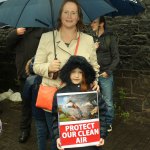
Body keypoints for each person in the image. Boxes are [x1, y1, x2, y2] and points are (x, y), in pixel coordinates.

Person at [33, 0, 99, 149]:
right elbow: (36, 66)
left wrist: (95, 81)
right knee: (59, 142)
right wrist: (49, 67)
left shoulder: (88, 40)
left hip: (80, 99)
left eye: (73, 12)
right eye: (66, 12)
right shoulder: (47, 38)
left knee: (78, 143)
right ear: (60, 15)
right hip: (53, 100)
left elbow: (94, 67)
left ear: (78, 17)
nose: (69, 16)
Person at [52, 55, 107, 150]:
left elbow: (102, 114)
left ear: (85, 74)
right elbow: (55, 118)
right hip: (69, 143)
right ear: (68, 73)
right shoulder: (60, 93)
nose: (76, 76)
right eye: (73, 72)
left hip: (90, 144)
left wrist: (101, 135)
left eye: (80, 72)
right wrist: (58, 137)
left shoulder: (92, 93)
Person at [7, 27, 49, 143]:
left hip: (39, 75)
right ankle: (25, 130)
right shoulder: (18, 31)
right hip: (23, 75)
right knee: (26, 105)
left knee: (43, 104)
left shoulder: (43, 30)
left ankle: (45, 130)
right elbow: (8, 45)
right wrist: (15, 33)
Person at [91, 16, 120, 132]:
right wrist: (93, 48)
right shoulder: (91, 39)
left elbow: (116, 58)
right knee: (93, 100)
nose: (91, 24)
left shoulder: (110, 38)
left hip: (105, 75)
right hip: (93, 75)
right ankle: (95, 121)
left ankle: (108, 123)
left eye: (94, 22)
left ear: (101, 24)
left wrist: (108, 71)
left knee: (107, 101)